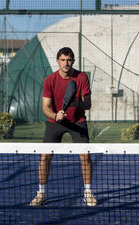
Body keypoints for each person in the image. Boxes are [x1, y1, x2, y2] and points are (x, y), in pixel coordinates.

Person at [30, 47, 97, 206]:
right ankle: (41, 193)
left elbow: (87, 104)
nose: (66, 63)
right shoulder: (50, 80)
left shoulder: (81, 77)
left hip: (77, 121)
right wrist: (55, 116)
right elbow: (46, 107)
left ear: (73, 61)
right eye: (63, 60)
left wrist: (76, 103)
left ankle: (88, 192)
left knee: (85, 156)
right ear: (57, 61)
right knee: (45, 157)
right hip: (55, 123)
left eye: (69, 60)